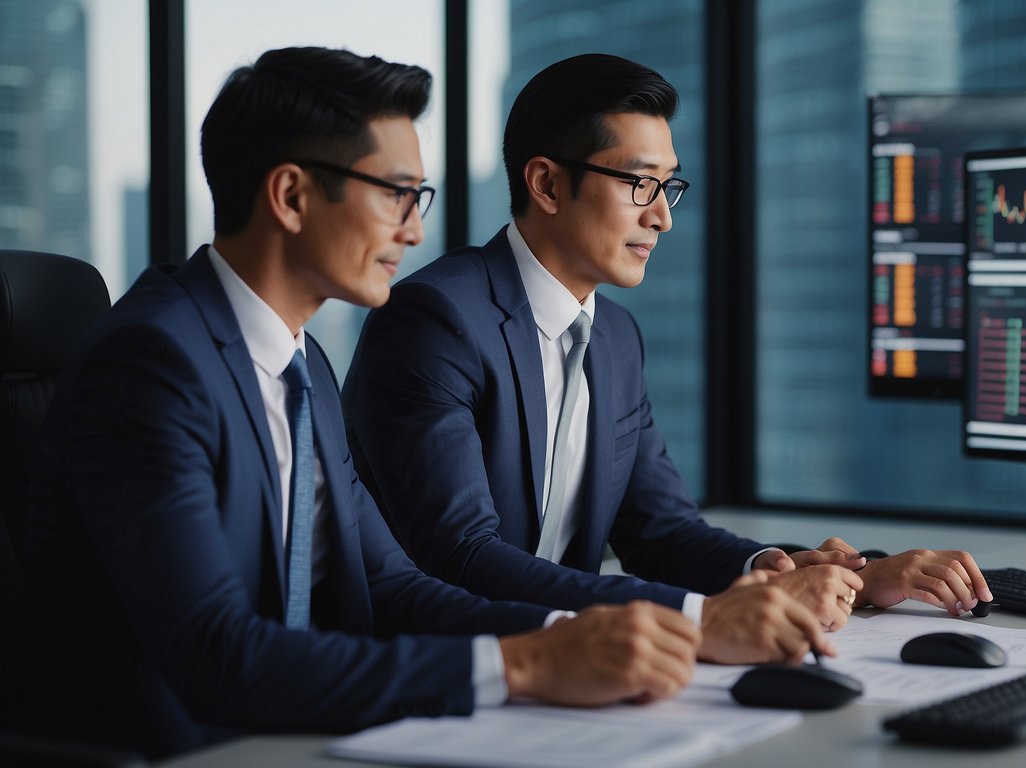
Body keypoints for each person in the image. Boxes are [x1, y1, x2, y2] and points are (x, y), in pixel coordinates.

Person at [16, 47, 705, 760]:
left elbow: (392, 586)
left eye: (419, 199)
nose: (412, 229)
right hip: (181, 750)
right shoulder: (152, 364)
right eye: (394, 194)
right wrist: (524, 666)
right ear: (291, 197)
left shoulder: (302, 360)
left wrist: (571, 639)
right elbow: (217, 653)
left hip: (294, 730)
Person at [342, 52, 992, 660]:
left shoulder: (616, 337)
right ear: (545, 183)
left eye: (667, 186)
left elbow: (661, 531)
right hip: (447, 667)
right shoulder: (436, 320)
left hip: (589, 666)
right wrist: (703, 618)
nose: (662, 217)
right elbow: (463, 557)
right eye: (638, 184)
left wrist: (813, 572)